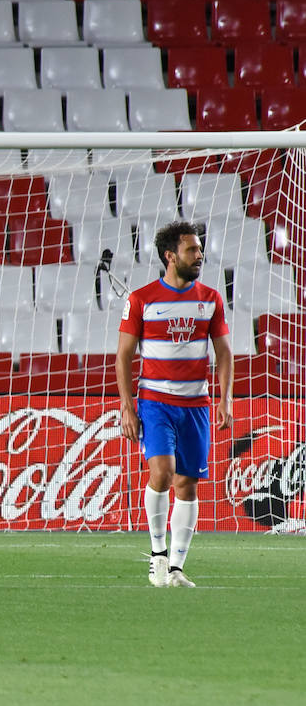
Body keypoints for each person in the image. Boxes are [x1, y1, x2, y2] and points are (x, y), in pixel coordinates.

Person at [116, 220, 233, 588]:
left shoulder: (211, 299)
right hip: (156, 402)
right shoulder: (141, 299)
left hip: (195, 404)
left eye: (199, 250)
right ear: (170, 256)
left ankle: (178, 568)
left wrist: (225, 397)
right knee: (162, 474)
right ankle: (157, 557)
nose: (199, 255)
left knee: (188, 485)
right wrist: (127, 405)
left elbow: (224, 352)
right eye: (191, 250)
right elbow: (123, 356)